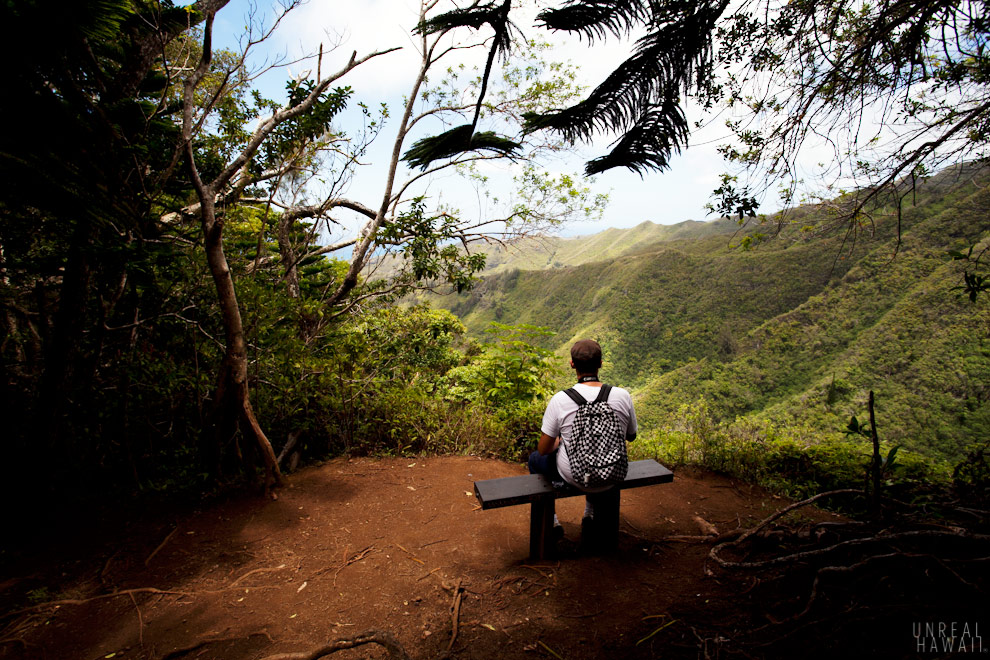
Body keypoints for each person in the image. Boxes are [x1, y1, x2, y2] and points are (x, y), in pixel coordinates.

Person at [529, 339, 637, 540]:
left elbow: (543, 449)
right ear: (601, 364)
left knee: (535, 459)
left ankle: (551, 519)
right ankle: (590, 511)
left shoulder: (560, 400)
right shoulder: (623, 396)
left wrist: (560, 441)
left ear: (572, 364)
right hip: (613, 474)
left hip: (576, 476)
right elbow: (631, 436)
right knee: (594, 454)